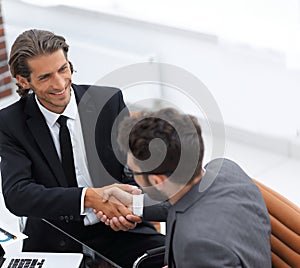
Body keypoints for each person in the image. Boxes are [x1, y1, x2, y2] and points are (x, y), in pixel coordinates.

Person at [0, 29, 166, 268]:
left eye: (63, 69)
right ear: (24, 81)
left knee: (177, 257)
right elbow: (17, 195)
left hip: (121, 232)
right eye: (45, 77)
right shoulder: (10, 123)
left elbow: (137, 171)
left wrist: (127, 209)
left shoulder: (108, 102)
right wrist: (89, 198)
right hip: (53, 237)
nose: (59, 84)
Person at [99, 108, 272, 267]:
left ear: (157, 180)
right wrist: (133, 204)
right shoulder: (225, 169)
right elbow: (185, 203)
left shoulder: (195, 243)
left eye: (134, 171)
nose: (133, 176)